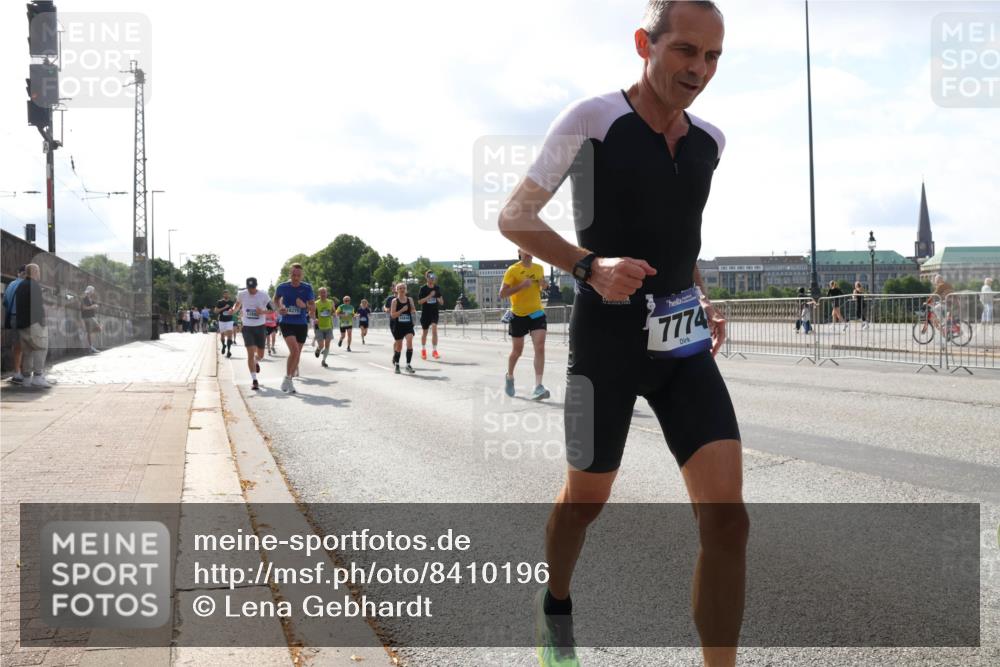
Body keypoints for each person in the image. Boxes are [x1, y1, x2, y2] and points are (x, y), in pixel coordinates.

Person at [496, 3, 745, 665]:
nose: (700, 69)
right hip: (603, 341)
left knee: (728, 519)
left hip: (683, 344)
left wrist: (703, 295)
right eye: (686, 51)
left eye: (713, 57)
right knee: (586, 500)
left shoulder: (709, 142)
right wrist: (589, 266)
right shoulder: (593, 120)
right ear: (645, 43)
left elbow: (677, 234)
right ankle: (555, 602)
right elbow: (514, 217)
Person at [500, 250, 550, 400]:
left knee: (540, 347)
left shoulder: (539, 268)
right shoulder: (513, 270)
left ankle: (538, 386)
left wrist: (544, 285)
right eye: (524, 249)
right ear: (519, 252)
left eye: (530, 248)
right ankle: (509, 377)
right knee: (517, 351)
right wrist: (521, 286)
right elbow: (502, 293)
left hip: (536, 313)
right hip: (518, 315)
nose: (528, 252)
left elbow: (543, 287)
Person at [274, 263, 315, 393]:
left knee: (297, 354)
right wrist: (279, 308)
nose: (296, 278)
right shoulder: (282, 287)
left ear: (301, 275)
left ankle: (288, 379)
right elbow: (275, 300)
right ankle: (288, 378)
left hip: (301, 324)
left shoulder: (307, 288)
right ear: (289, 274)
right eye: (293, 275)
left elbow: (313, 308)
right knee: (295, 351)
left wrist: (304, 306)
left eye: (298, 275)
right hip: (286, 322)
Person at [13, 264, 52, 388]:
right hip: (34, 323)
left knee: (27, 351)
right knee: (41, 348)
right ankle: (38, 376)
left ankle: (26, 379)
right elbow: (37, 306)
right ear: (34, 271)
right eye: (39, 271)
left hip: (22, 324)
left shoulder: (20, 286)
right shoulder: (34, 285)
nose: (40, 273)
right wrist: (42, 322)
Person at [231, 277, 272, 391]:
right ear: (247, 287)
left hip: (260, 327)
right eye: (249, 288)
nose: (251, 290)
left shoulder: (264, 295)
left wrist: (262, 312)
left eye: (253, 288)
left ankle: (256, 361)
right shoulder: (242, 294)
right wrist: (233, 310)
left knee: (261, 355)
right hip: (247, 327)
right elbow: (237, 304)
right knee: (250, 353)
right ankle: (254, 380)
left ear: (256, 286)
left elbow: (273, 309)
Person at [3, 265, 27, 384]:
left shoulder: (11, 284)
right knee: (27, 345)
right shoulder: (27, 285)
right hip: (24, 318)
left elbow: (5, 302)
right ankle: (23, 372)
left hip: (12, 316)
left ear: (18, 272)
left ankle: (17, 372)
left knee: (16, 345)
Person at [388, 282, 417, 374]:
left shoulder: (410, 299)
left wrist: (412, 309)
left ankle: (408, 365)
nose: (402, 290)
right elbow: (393, 315)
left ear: (406, 290)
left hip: (408, 324)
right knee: (399, 346)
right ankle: (397, 365)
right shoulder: (394, 301)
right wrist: (401, 310)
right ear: (397, 290)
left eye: (403, 288)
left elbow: (413, 310)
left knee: (409, 341)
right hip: (398, 325)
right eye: (400, 288)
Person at [418, 271, 444, 359]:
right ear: (426, 277)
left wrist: (438, 298)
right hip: (426, 313)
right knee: (425, 332)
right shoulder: (423, 288)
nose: (432, 278)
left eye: (433, 277)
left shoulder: (437, 288)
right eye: (429, 277)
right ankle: (423, 350)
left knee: (434, 329)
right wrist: (429, 296)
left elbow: (441, 302)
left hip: (434, 312)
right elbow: (420, 301)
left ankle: (434, 350)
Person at [313, 287, 336, 366]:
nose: (323, 294)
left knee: (327, 344)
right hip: (319, 327)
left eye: (324, 292)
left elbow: (334, 311)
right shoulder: (316, 303)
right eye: (321, 293)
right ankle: (318, 349)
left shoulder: (331, 302)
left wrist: (334, 314)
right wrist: (315, 319)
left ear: (327, 293)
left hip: (328, 326)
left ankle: (323, 361)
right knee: (321, 345)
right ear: (319, 294)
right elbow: (311, 313)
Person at [81, 286, 101, 353]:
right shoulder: (84, 298)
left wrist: (95, 306)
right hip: (87, 317)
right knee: (97, 329)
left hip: (91, 316)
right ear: (90, 291)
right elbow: (84, 308)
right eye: (92, 291)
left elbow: (93, 305)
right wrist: (92, 307)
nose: (93, 292)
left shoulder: (90, 299)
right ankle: (90, 347)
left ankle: (90, 346)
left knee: (96, 330)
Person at [215, 291, 236, 356]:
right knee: (222, 336)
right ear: (223, 295)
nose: (226, 295)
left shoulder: (231, 302)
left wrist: (232, 311)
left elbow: (234, 310)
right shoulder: (219, 302)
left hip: (229, 320)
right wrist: (224, 307)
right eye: (225, 294)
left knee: (230, 335)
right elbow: (216, 311)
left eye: (227, 293)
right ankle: (224, 345)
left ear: (229, 295)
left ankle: (228, 351)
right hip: (221, 320)